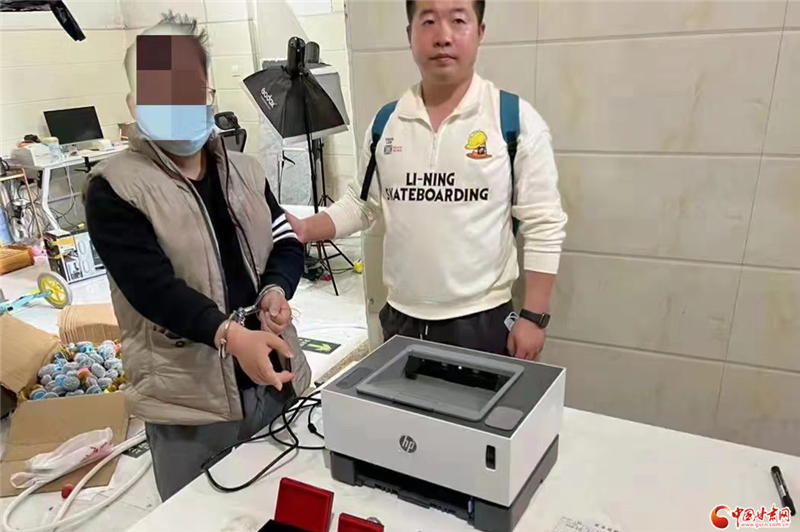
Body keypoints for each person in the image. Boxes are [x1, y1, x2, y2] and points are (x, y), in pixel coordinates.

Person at [84, 12, 311, 501]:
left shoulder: (246, 171)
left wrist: (276, 290)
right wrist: (231, 336)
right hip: (189, 405)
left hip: (273, 380)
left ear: (208, 90)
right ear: (135, 103)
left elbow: (286, 240)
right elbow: (152, 290)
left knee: (280, 505)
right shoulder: (115, 188)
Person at [289, 0, 567, 360]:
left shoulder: (512, 120)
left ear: (480, 32)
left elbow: (544, 223)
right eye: (429, 21)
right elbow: (362, 204)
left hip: (481, 321)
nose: (443, 36)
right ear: (410, 34)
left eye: (458, 20)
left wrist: (533, 317)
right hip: (401, 319)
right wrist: (304, 228)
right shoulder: (386, 122)